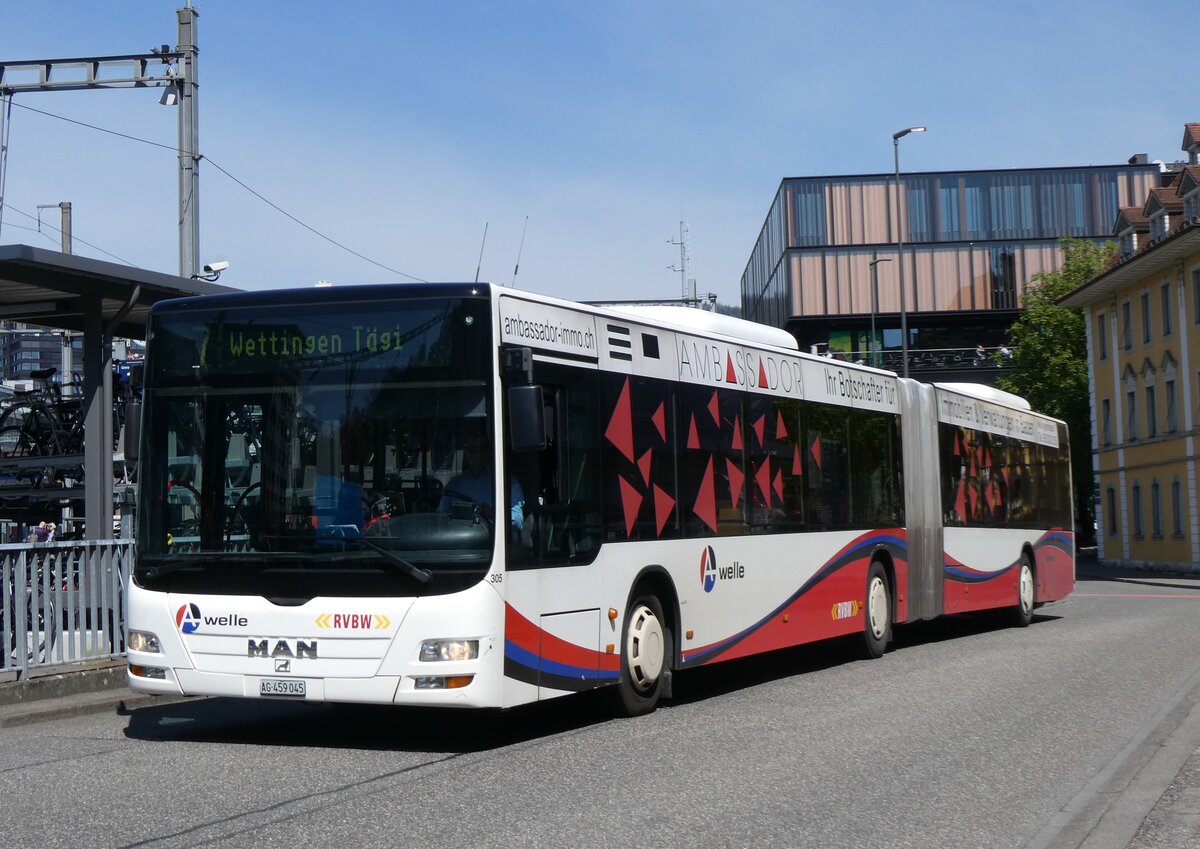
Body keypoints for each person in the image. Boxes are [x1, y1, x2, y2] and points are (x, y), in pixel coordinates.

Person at [439, 435, 524, 530]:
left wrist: (492, 513)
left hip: (495, 542)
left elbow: (518, 520)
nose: (478, 455)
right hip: (459, 540)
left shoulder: (507, 482)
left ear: (489, 452)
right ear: (465, 452)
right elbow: (440, 518)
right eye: (472, 450)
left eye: (482, 449)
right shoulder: (453, 485)